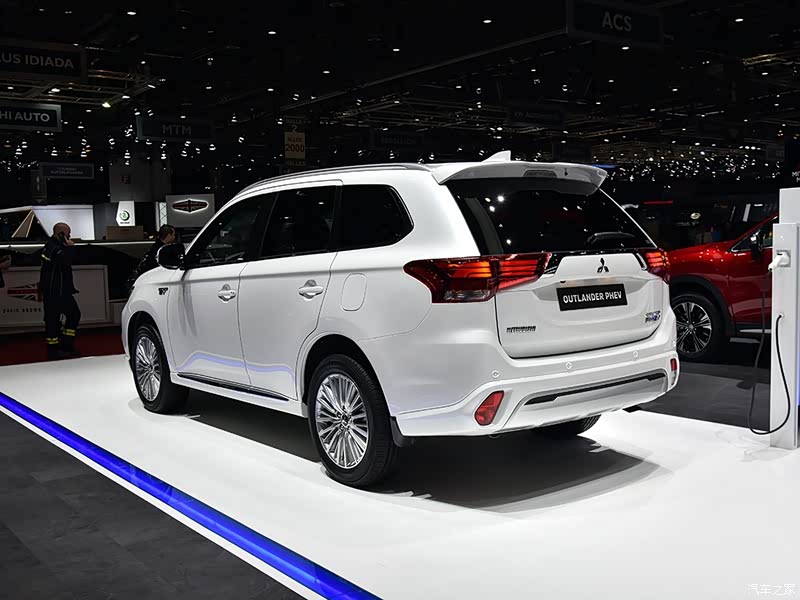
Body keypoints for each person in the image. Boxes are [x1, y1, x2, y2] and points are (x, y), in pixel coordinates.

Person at [39, 222, 81, 360]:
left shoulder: (55, 246)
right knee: (54, 320)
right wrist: (70, 247)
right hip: (55, 291)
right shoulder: (52, 247)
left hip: (61, 291)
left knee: (72, 315)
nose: (69, 236)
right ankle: (56, 350)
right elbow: (65, 260)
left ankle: (64, 346)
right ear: (61, 234)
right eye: (68, 234)